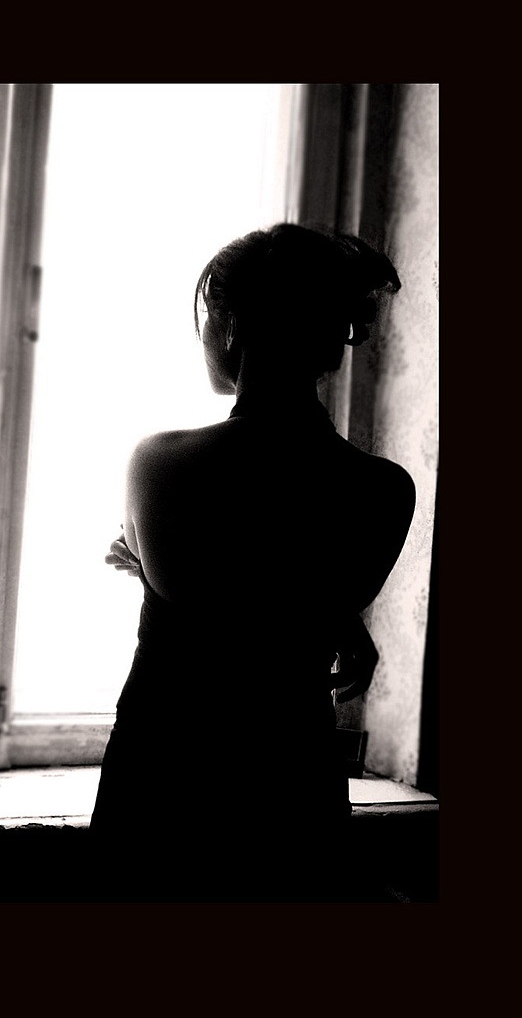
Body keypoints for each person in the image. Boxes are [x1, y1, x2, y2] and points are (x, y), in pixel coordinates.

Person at [86, 222, 416, 903]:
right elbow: (288, 597)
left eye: (208, 317)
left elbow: (214, 601)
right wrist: (341, 622)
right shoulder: (383, 490)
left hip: (167, 785)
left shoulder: (160, 463)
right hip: (292, 782)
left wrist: (148, 561)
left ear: (232, 326)